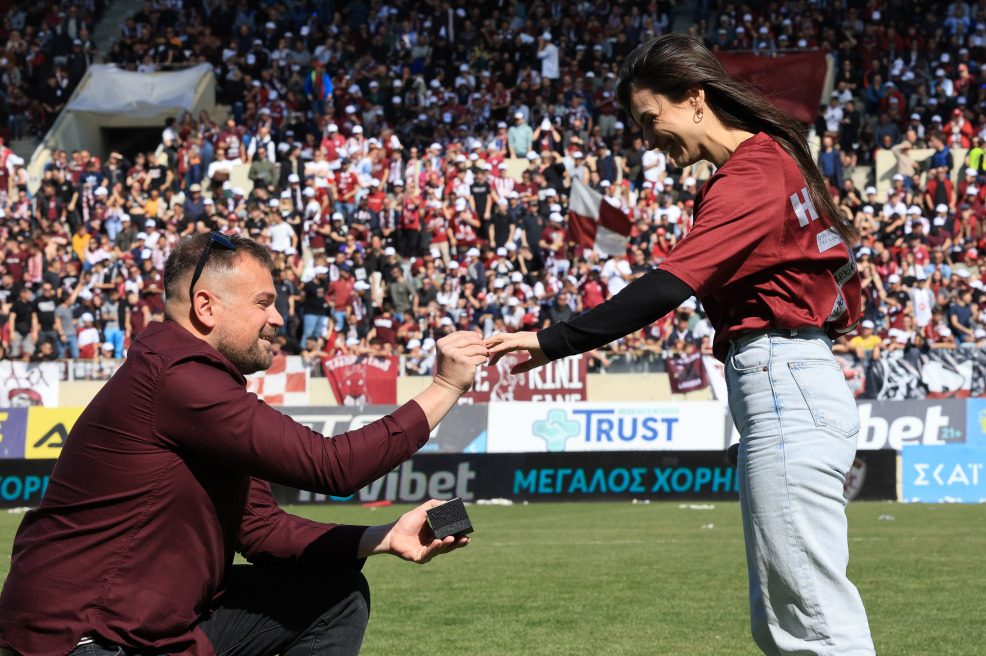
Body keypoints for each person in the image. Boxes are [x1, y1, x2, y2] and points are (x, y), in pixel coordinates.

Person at [485, 34, 873, 656]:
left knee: (810, 622)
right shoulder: (774, 156)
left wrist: (552, 340)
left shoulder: (750, 172)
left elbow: (666, 287)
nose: (647, 137)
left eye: (650, 118)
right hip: (792, 377)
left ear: (694, 99)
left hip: (784, 379)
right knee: (788, 617)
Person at [0, 233, 485, 656]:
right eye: (262, 301)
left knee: (337, 593)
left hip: (146, 630)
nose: (277, 317)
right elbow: (333, 467)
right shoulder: (178, 378)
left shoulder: (184, 377)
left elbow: (260, 529)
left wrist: (383, 537)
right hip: (86, 639)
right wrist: (445, 387)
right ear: (206, 307)